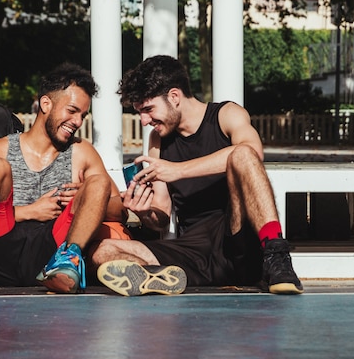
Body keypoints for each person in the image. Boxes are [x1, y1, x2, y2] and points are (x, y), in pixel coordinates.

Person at [92, 55, 303, 296]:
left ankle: (277, 256)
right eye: (140, 112)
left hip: (237, 240)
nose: (144, 121)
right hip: (195, 251)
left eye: (148, 110)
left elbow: (252, 154)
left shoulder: (226, 115)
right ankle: (155, 276)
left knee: (242, 154)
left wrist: (178, 170)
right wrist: (145, 212)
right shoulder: (158, 140)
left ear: (174, 97)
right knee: (104, 250)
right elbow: (161, 214)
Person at [0, 62, 128, 294]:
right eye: (72, 111)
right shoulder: (0, 148)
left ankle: (68, 261)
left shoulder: (82, 152)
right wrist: (29, 211)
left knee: (98, 182)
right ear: (45, 104)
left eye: (83, 115)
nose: (78, 122)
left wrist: (86, 198)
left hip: (52, 258)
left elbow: (120, 212)